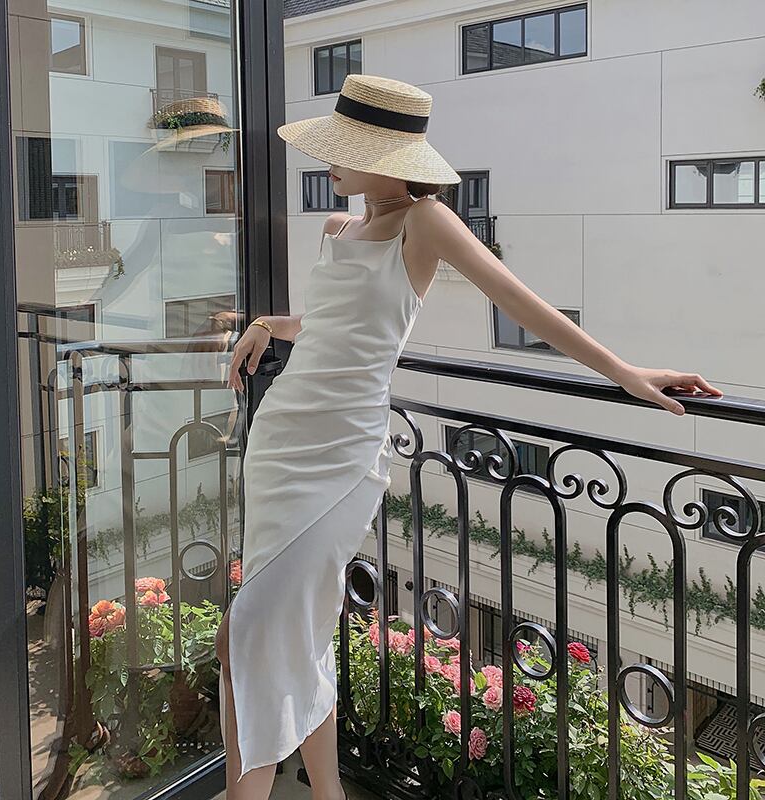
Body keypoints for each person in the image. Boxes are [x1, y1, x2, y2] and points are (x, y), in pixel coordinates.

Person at [214, 74, 722, 800]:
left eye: (344, 149)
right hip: (281, 443)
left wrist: (623, 371)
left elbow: (520, 301)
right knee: (297, 632)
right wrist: (269, 324)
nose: (327, 162)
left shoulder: (425, 222)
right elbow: (325, 327)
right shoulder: (336, 230)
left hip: (340, 459)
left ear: (388, 159)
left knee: (249, 638)